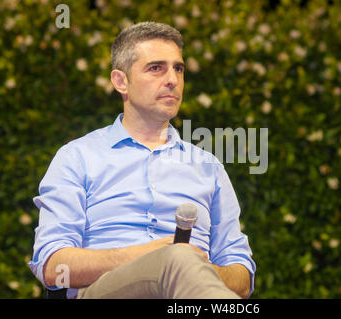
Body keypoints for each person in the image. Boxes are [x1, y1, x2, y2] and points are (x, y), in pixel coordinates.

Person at [28, 21, 256, 299]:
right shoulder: (77, 157)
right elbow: (54, 267)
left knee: (181, 261)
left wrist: (196, 269)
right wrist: (154, 256)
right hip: (104, 292)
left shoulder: (208, 167)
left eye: (178, 68)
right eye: (156, 68)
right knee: (177, 259)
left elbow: (242, 278)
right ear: (121, 81)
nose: (172, 79)